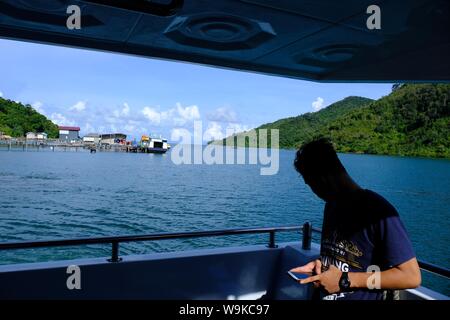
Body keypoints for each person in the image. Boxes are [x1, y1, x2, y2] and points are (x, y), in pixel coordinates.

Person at [290, 138, 421, 300]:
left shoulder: (378, 211)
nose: (314, 193)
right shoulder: (331, 206)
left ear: (324, 179)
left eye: (311, 185)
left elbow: (411, 276)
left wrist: (345, 280)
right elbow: (342, 258)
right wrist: (320, 265)